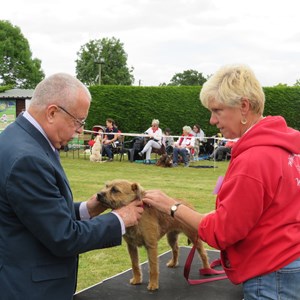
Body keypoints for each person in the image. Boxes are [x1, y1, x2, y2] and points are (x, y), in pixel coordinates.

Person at [142, 64, 300, 300]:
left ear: (244, 106)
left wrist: (173, 207)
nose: (212, 120)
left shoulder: (255, 159)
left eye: (217, 110)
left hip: (270, 275)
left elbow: (223, 233)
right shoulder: (286, 147)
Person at [0, 73, 144, 300]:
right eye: (78, 121)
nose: (80, 130)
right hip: (31, 290)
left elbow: (40, 213)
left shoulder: (19, 140)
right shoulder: (27, 158)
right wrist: (120, 219)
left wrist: (86, 209)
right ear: (52, 112)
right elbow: (63, 237)